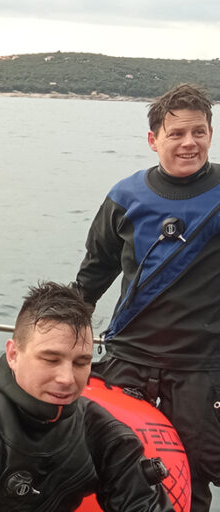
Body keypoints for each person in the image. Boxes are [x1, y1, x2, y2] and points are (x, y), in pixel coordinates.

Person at [0, 281, 173, 511]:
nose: (67, 378)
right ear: (13, 354)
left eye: (81, 362)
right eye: (50, 359)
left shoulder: (103, 434)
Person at [75, 83, 219, 512]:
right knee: (106, 468)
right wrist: (65, 338)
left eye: (198, 132)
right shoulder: (125, 197)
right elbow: (93, 274)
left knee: (190, 480)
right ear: (154, 140)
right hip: (129, 360)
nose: (189, 142)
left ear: (211, 134)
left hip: (200, 370)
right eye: (177, 134)